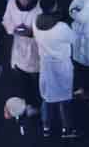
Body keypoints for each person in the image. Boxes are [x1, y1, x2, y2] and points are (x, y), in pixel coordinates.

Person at [33, 10, 78, 139]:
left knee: (47, 98)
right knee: (65, 99)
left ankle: (46, 127)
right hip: (62, 66)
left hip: (46, 66)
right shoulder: (61, 27)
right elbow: (74, 39)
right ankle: (67, 129)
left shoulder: (36, 22)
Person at [1, 0, 41, 102]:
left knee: (37, 80)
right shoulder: (12, 3)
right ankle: (28, 103)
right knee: (22, 81)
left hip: (36, 50)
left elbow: (46, 27)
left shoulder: (40, 5)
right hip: (18, 48)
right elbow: (6, 21)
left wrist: (31, 32)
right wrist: (14, 29)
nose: (25, 0)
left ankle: (38, 102)